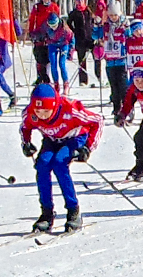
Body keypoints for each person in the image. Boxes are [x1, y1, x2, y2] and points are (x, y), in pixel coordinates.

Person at [20, 81, 104, 234]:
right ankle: (46, 212)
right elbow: (25, 127)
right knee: (42, 165)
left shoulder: (70, 109)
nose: (42, 116)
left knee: (60, 163)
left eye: (46, 111)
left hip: (74, 137)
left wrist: (88, 148)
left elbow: (97, 121)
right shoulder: (30, 112)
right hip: (51, 139)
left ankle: (73, 210)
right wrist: (26, 143)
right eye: (39, 112)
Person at [102, 1, 131, 107]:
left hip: (121, 60)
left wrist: (127, 29)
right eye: (111, 15)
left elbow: (129, 36)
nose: (113, 17)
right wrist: (96, 26)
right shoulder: (106, 25)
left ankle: (127, 108)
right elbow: (96, 36)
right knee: (114, 88)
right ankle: (116, 109)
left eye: (115, 15)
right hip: (109, 61)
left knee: (123, 87)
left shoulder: (123, 24)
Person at [26, 0, 60, 78]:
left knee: (48, 57)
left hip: (50, 33)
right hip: (39, 33)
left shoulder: (54, 7)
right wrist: (31, 32)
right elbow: (32, 19)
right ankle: (40, 76)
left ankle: (46, 76)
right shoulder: (37, 7)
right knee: (39, 55)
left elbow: (58, 21)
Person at [67, 0, 97, 85]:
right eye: (78, 0)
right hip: (80, 39)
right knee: (82, 60)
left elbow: (94, 22)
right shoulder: (73, 13)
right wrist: (74, 32)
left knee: (97, 57)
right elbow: (68, 25)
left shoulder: (88, 11)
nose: (80, 2)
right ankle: (83, 80)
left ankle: (99, 76)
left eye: (81, 0)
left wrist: (94, 32)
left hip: (91, 38)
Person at [46, 12, 73, 88]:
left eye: (54, 25)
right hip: (52, 45)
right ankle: (56, 84)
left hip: (64, 44)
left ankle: (66, 83)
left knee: (62, 63)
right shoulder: (47, 28)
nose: (53, 27)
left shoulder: (65, 28)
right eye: (51, 26)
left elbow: (72, 38)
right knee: (53, 63)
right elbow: (43, 35)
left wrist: (70, 51)